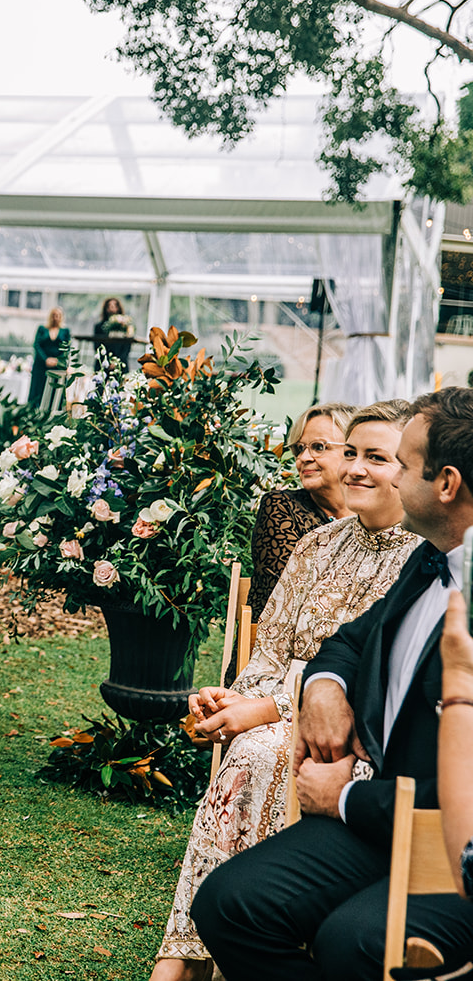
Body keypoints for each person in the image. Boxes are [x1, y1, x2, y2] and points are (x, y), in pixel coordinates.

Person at [193, 387, 473, 979]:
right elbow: (346, 640)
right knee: (230, 903)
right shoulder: (432, 560)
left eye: (402, 462)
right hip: (381, 820)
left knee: (353, 941)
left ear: (445, 484)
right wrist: (323, 687)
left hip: (451, 846)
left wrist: (342, 798)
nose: (389, 476)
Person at [154, 400, 418, 980]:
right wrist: (232, 699)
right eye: (350, 453)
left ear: (413, 470)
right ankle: (188, 953)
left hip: (356, 733)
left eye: (376, 458)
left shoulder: (423, 558)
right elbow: (270, 647)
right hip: (277, 703)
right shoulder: (318, 545)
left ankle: (201, 955)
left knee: (259, 752)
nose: (353, 469)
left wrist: (267, 709)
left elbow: (378, 675)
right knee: (252, 746)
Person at [244, 403, 357, 623]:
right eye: (300, 448)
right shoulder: (280, 508)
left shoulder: (374, 515)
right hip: (280, 650)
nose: (303, 458)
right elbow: (287, 600)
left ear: (353, 451)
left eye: (318, 447)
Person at [29, 306, 71, 409]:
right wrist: (46, 359)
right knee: (38, 388)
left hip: (58, 364)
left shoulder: (65, 331)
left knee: (56, 390)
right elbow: (37, 345)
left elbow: (67, 348)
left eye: (58, 316)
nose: (56, 318)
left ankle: (53, 412)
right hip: (41, 364)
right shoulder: (42, 329)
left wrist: (57, 360)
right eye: (54, 315)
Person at [92, 296, 135, 369]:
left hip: (120, 363)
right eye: (109, 306)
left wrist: (117, 362)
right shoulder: (99, 327)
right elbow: (97, 346)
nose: (112, 308)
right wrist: (106, 361)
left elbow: (127, 346)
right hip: (102, 364)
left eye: (114, 306)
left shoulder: (125, 326)